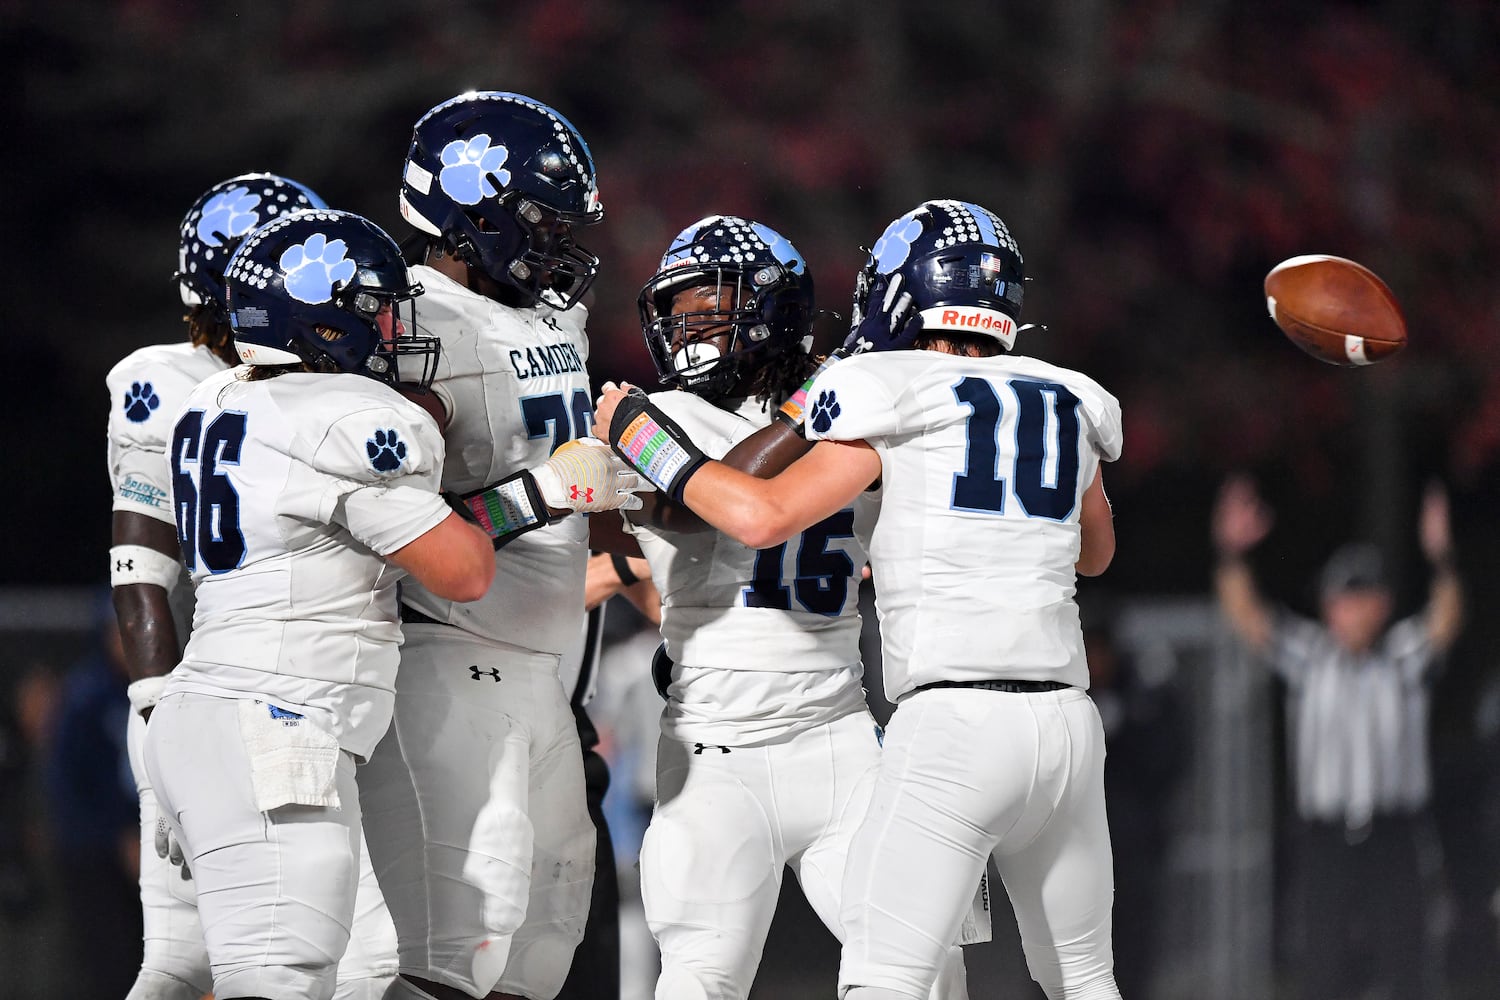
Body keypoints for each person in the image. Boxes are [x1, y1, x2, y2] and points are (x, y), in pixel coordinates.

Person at [597, 199, 1124, 1000]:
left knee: (900, 972)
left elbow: (743, 510)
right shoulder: (1066, 394)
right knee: (1075, 976)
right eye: (684, 313)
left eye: (714, 311)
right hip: (739, 742)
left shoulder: (868, 393)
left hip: (863, 732)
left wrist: (631, 430)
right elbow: (1097, 552)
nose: (693, 331)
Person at [140, 207, 501, 1000]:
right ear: (325, 321)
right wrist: (541, 492)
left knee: (369, 972)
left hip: (213, 715)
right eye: (375, 306)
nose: (389, 325)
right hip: (275, 725)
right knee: (281, 980)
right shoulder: (345, 419)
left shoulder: (219, 400)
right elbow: (463, 569)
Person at [358, 90, 639, 1000]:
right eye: (543, 224)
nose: (561, 247)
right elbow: (389, 529)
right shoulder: (411, 328)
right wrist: (546, 491)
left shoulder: (547, 318)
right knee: (454, 951)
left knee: (539, 952)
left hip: (543, 672)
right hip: (448, 654)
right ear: (473, 211)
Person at [108, 172, 413, 1000]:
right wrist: (152, 708)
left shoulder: (244, 394)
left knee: (248, 959)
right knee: (232, 959)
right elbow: (140, 567)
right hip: (249, 703)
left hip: (229, 706)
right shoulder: (177, 386)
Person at [1211, 474, 1464, 1000]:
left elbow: (1443, 623)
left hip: (1393, 835)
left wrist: (1442, 560)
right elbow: (1249, 619)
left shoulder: (1400, 658)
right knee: (1323, 966)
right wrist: (1231, 554)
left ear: (1381, 604)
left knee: (1407, 960)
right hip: (1326, 839)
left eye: (1359, 599)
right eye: (1340, 600)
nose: (1348, 611)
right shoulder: (1311, 657)